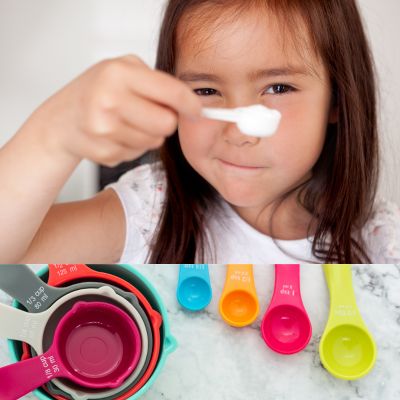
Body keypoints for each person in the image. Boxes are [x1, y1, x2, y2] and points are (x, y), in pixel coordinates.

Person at [0, 0, 399, 264]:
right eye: (206, 90)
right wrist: (52, 136)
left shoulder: (383, 244)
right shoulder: (151, 213)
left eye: (278, 88)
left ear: (337, 99)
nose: (240, 134)